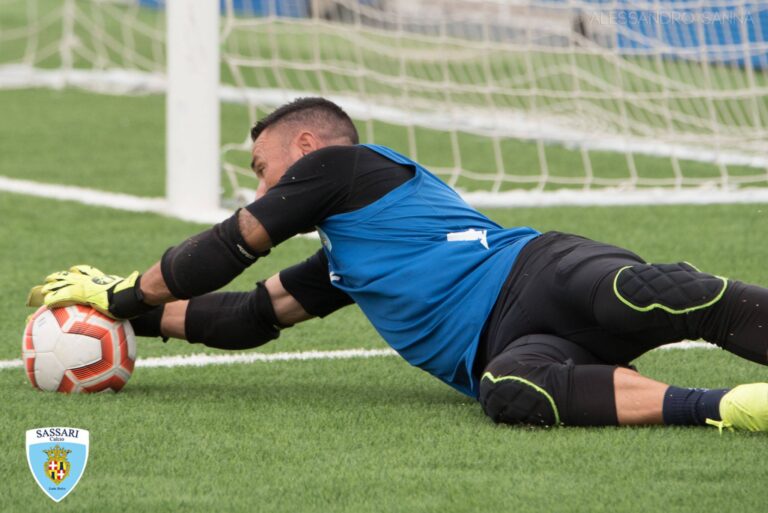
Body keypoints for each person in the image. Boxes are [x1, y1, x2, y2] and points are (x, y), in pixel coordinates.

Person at [29, 97, 768, 432]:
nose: (260, 187)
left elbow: (231, 245)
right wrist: (138, 320)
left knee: (638, 293)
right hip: (508, 346)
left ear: (308, 149)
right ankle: (725, 407)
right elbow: (254, 314)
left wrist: (122, 292)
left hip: (538, 269)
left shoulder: (348, 167)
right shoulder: (346, 259)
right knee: (510, 393)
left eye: (263, 168)